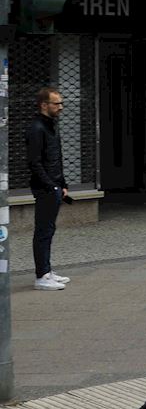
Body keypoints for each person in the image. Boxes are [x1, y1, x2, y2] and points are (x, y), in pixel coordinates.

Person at [29, 87, 70, 291]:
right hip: (45, 188)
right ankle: (42, 276)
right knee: (43, 231)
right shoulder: (37, 128)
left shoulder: (51, 126)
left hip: (53, 186)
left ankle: (47, 270)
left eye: (61, 103)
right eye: (56, 103)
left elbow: (56, 158)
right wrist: (51, 185)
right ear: (44, 105)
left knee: (49, 229)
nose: (60, 107)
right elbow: (35, 162)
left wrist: (62, 184)